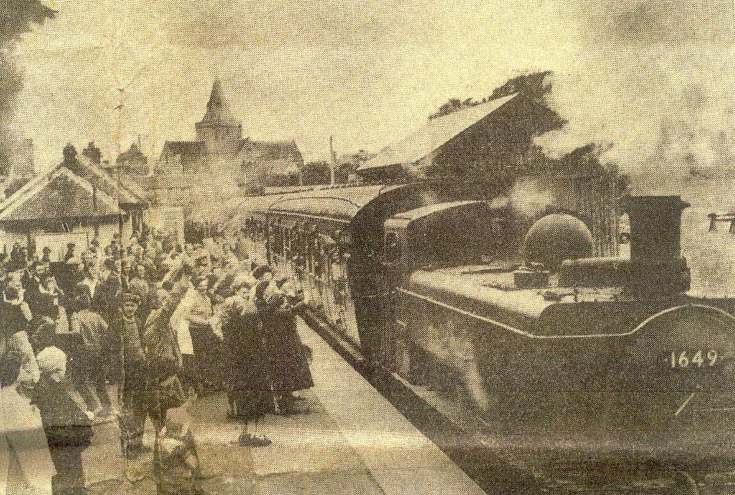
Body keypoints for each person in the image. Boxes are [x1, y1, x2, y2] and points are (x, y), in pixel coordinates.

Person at [34, 346, 93, 495]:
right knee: (69, 468)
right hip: (64, 438)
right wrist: (85, 417)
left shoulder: (46, 384)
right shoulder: (51, 389)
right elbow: (63, 413)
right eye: (63, 364)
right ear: (57, 368)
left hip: (60, 438)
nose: (65, 368)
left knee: (67, 468)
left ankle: (76, 489)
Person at [0, 352, 55, 495]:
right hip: (23, 462)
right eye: (23, 368)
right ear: (16, 372)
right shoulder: (13, 401)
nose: (26, 371)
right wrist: (35, 416)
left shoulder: (8, 396)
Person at [255, 281, 313, 414]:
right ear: (264, 292)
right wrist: (303, 303)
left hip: (282, 341)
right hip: (278, 343)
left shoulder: (268, 303)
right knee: (283, 370)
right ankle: (285, 405)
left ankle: (287, 398)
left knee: (287, 370)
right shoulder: (267, 305)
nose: (273, 290)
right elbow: (286, 313)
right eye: (270, 289)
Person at [112, 292, 150, 477]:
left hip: (140, 367)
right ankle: (127, 446)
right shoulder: (117, 323)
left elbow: (144, 341)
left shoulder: (140, 321)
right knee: (125, 408)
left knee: (140, 405)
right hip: (125, 370)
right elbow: (111, 347)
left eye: (133, 305)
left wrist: (145, 355)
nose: (130, 308)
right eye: (127, 305)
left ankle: (139, 442)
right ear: (122, 306)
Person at [70, 292, 116, 421]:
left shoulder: (76, 317)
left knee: (78, 380)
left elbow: (75, 334)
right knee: (99, 382)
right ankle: (107, 407)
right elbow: (108, 330)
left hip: (84, 353)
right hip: (98, 352)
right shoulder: (96, 316)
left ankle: (92, 406)